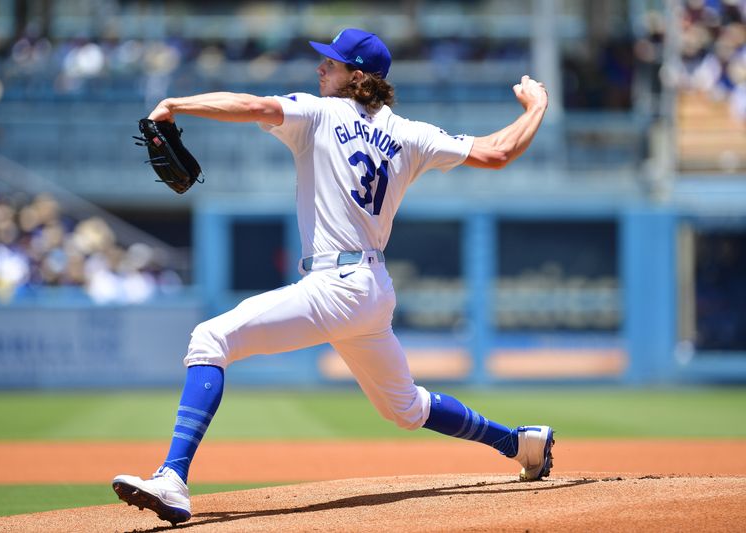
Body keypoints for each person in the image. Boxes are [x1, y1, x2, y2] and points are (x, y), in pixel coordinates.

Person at [112, 28, 552, 525]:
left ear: (357, 77)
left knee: (210, 338)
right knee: (404, 408)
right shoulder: (411, 133)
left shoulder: (321, 112)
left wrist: (176, 102)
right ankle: (519, 443)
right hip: (372, 289)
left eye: (332, 63)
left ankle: (172, 477)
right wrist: (535, 107)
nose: (321, 68)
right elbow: (497, 153)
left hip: (335, 284)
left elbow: (252, 105)